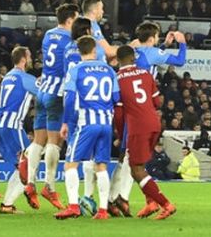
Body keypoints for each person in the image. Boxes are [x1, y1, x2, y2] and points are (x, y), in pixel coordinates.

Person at [54, 36, 120, 220]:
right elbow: (116, 97)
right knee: (101, 166)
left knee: (70, 164)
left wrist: (66, 122)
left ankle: (74, 206)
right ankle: (103, 210)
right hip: (106, 123)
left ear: (80, 51)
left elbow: (68, 98)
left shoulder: (75, 70)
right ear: (94, 50)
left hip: (86, 123)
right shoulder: (108, 70)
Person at [25, 3, 79, 210]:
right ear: (70, 20)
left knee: (39, 140)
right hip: (57, 91)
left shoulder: (48, 34)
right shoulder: (70, 39)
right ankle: (49, 185)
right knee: (54, 142)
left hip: (42, 90)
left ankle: (31, 183)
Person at [114, 46, 176, 220]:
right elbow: (157, 101)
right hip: (154, 123)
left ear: (118, 60)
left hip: (137, 127)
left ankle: (165, 204)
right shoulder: (145, 74)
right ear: (134, 58)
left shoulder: (117, 78)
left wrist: (120, 135)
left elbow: (119, 114)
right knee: (140, 165)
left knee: (136, 169)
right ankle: (151, 202)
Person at [0, 47, 39, 214]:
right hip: (12, 126)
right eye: (30, 55)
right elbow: (44, 93)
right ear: (24, 59)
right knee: (28, 165)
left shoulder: (8, 77)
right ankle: (7, 204)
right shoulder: (26, 78)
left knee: (18, 167)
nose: (32, 58)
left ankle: (7, 204)